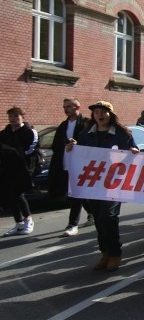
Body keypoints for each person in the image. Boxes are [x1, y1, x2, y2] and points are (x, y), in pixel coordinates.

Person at [65, 101, 139, 270]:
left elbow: (132, 149)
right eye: (96, 112)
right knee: (98, 218)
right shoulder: (86, 133)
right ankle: (104, 252)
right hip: (93, 184)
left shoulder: (121, 133)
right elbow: (80, 152)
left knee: (108, 217)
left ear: (110, 115)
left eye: (103, 112)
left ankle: (115, 253)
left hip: (114, 184)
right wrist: (73, 148)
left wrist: (133, 151)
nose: (100, 115)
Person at [50, 99, 89, 237]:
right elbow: (55, 145)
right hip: (66, 164)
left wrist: (78, 144)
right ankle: (91, 213)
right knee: (76, 194)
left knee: (75, 194)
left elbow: (92, 143)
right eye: (64, 107)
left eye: (69, 106)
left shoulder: (87, 123)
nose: (65, 109)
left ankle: (72, 224)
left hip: (81, 165)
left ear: (77, 107)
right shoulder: (63, 125)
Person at [1, 107, 39, 237]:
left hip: (23, 167)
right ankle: (18, 223)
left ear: (22, 116)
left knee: (18, 193)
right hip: (7, 168)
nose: (13, 119)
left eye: (16, 116)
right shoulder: (5, 133)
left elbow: (30, 149)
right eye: (11, 116)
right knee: (10, 195)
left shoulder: (29, 132)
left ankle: (28, 219)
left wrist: (13, 152)